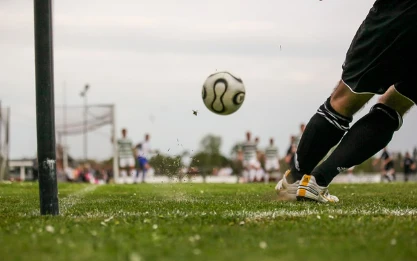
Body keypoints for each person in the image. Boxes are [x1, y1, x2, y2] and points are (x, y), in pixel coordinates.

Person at [276, 1, 417, 203]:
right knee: (395, 105)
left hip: (402, 10)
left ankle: (296, 179)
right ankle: (317, 181)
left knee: (344, 99)